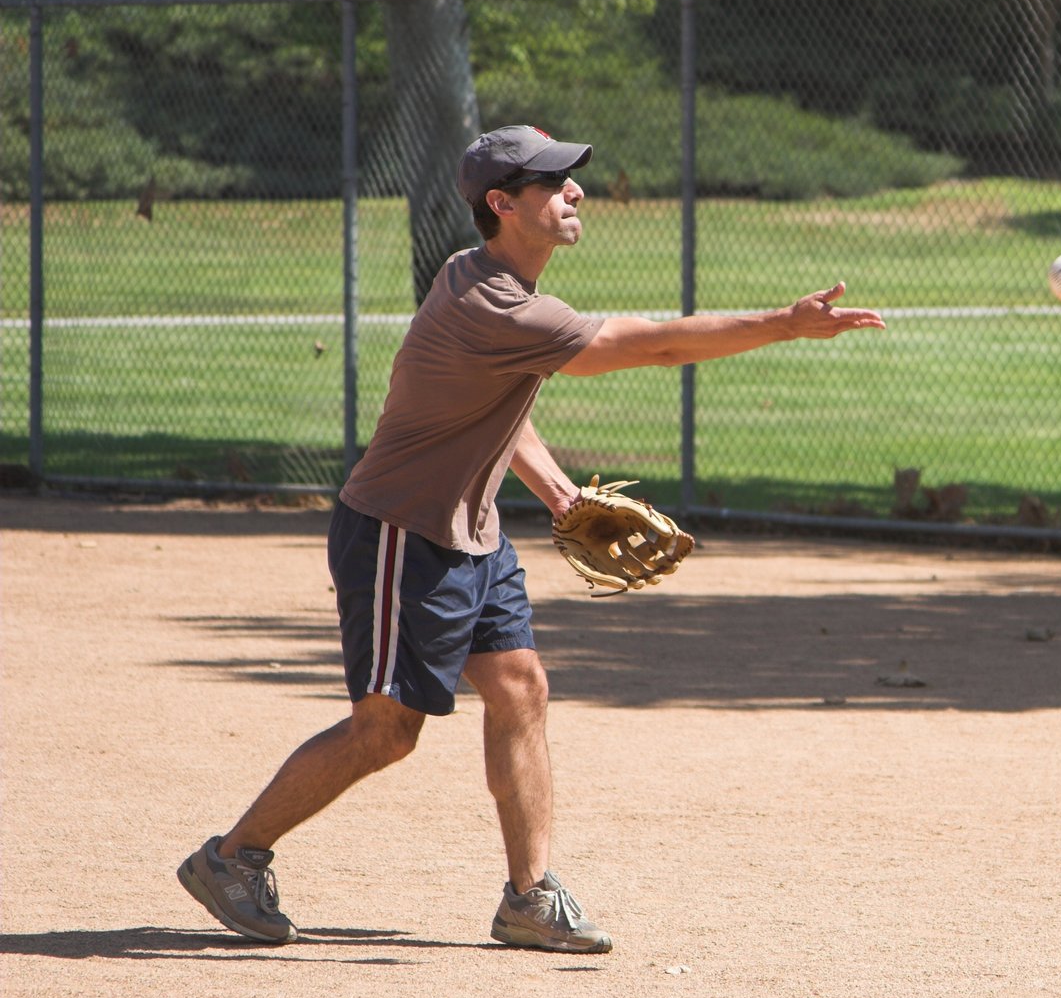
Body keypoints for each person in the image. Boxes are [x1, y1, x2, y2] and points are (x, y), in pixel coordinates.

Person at [177, 125, 885, 952]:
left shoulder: (480, 278)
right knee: (386, 731)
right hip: (401, 534)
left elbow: (497, 407)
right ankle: (230, 858)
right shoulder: (495, 303)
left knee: (520, 688)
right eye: (552, 182)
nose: (574, 191)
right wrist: (782, 325)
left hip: (472, 534)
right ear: (501, 204)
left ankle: (529, 897)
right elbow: (650, 344)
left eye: (570, 178)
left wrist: (556, 493)